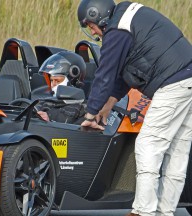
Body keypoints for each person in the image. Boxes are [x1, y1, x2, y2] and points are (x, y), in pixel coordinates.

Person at [77, 0, 192, 216]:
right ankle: (164, 212)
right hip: (188, 78)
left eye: (90, 25)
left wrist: (91, 113)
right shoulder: (128, 19)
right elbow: (125, 75)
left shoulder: (117, 31)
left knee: (148, 145)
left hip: (173, 82)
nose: (92, 31)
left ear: (98, 16)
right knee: (177, 151)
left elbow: (105, 74)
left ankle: (143, 211)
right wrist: (108, 106)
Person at [37, 51, 86, 124]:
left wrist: (49, 122)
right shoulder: (44, 103)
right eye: (51, 80)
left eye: (57, 81)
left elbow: (74, 133)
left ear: (73, 80)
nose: (53, 84)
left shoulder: (84, 110)